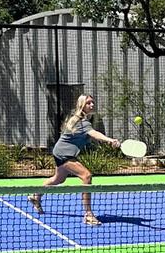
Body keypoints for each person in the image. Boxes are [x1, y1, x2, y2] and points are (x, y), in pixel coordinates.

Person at [28, 94, 120, 225]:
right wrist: (110, 140)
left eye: (92, 102)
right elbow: (94, 134)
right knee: (86, 176)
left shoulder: (76, 119)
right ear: (82, 105)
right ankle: (88, 214)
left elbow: (89, 136)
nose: (92, 105)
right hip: (64, 154)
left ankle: (36, 196)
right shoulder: (83, 122)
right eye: (89, 103)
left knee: (58, 179)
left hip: (59, 151)